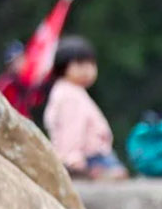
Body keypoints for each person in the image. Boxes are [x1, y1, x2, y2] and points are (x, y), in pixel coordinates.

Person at [42, 37, 127, 179]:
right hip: (87, 158)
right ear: (63, 66)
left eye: (91, 64)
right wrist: (72, 158)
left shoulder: (70, 91)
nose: (87, 70)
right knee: (117, 174)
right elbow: (71, 129)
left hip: (88, 156)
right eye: (80, 64)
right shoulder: (70, 95)